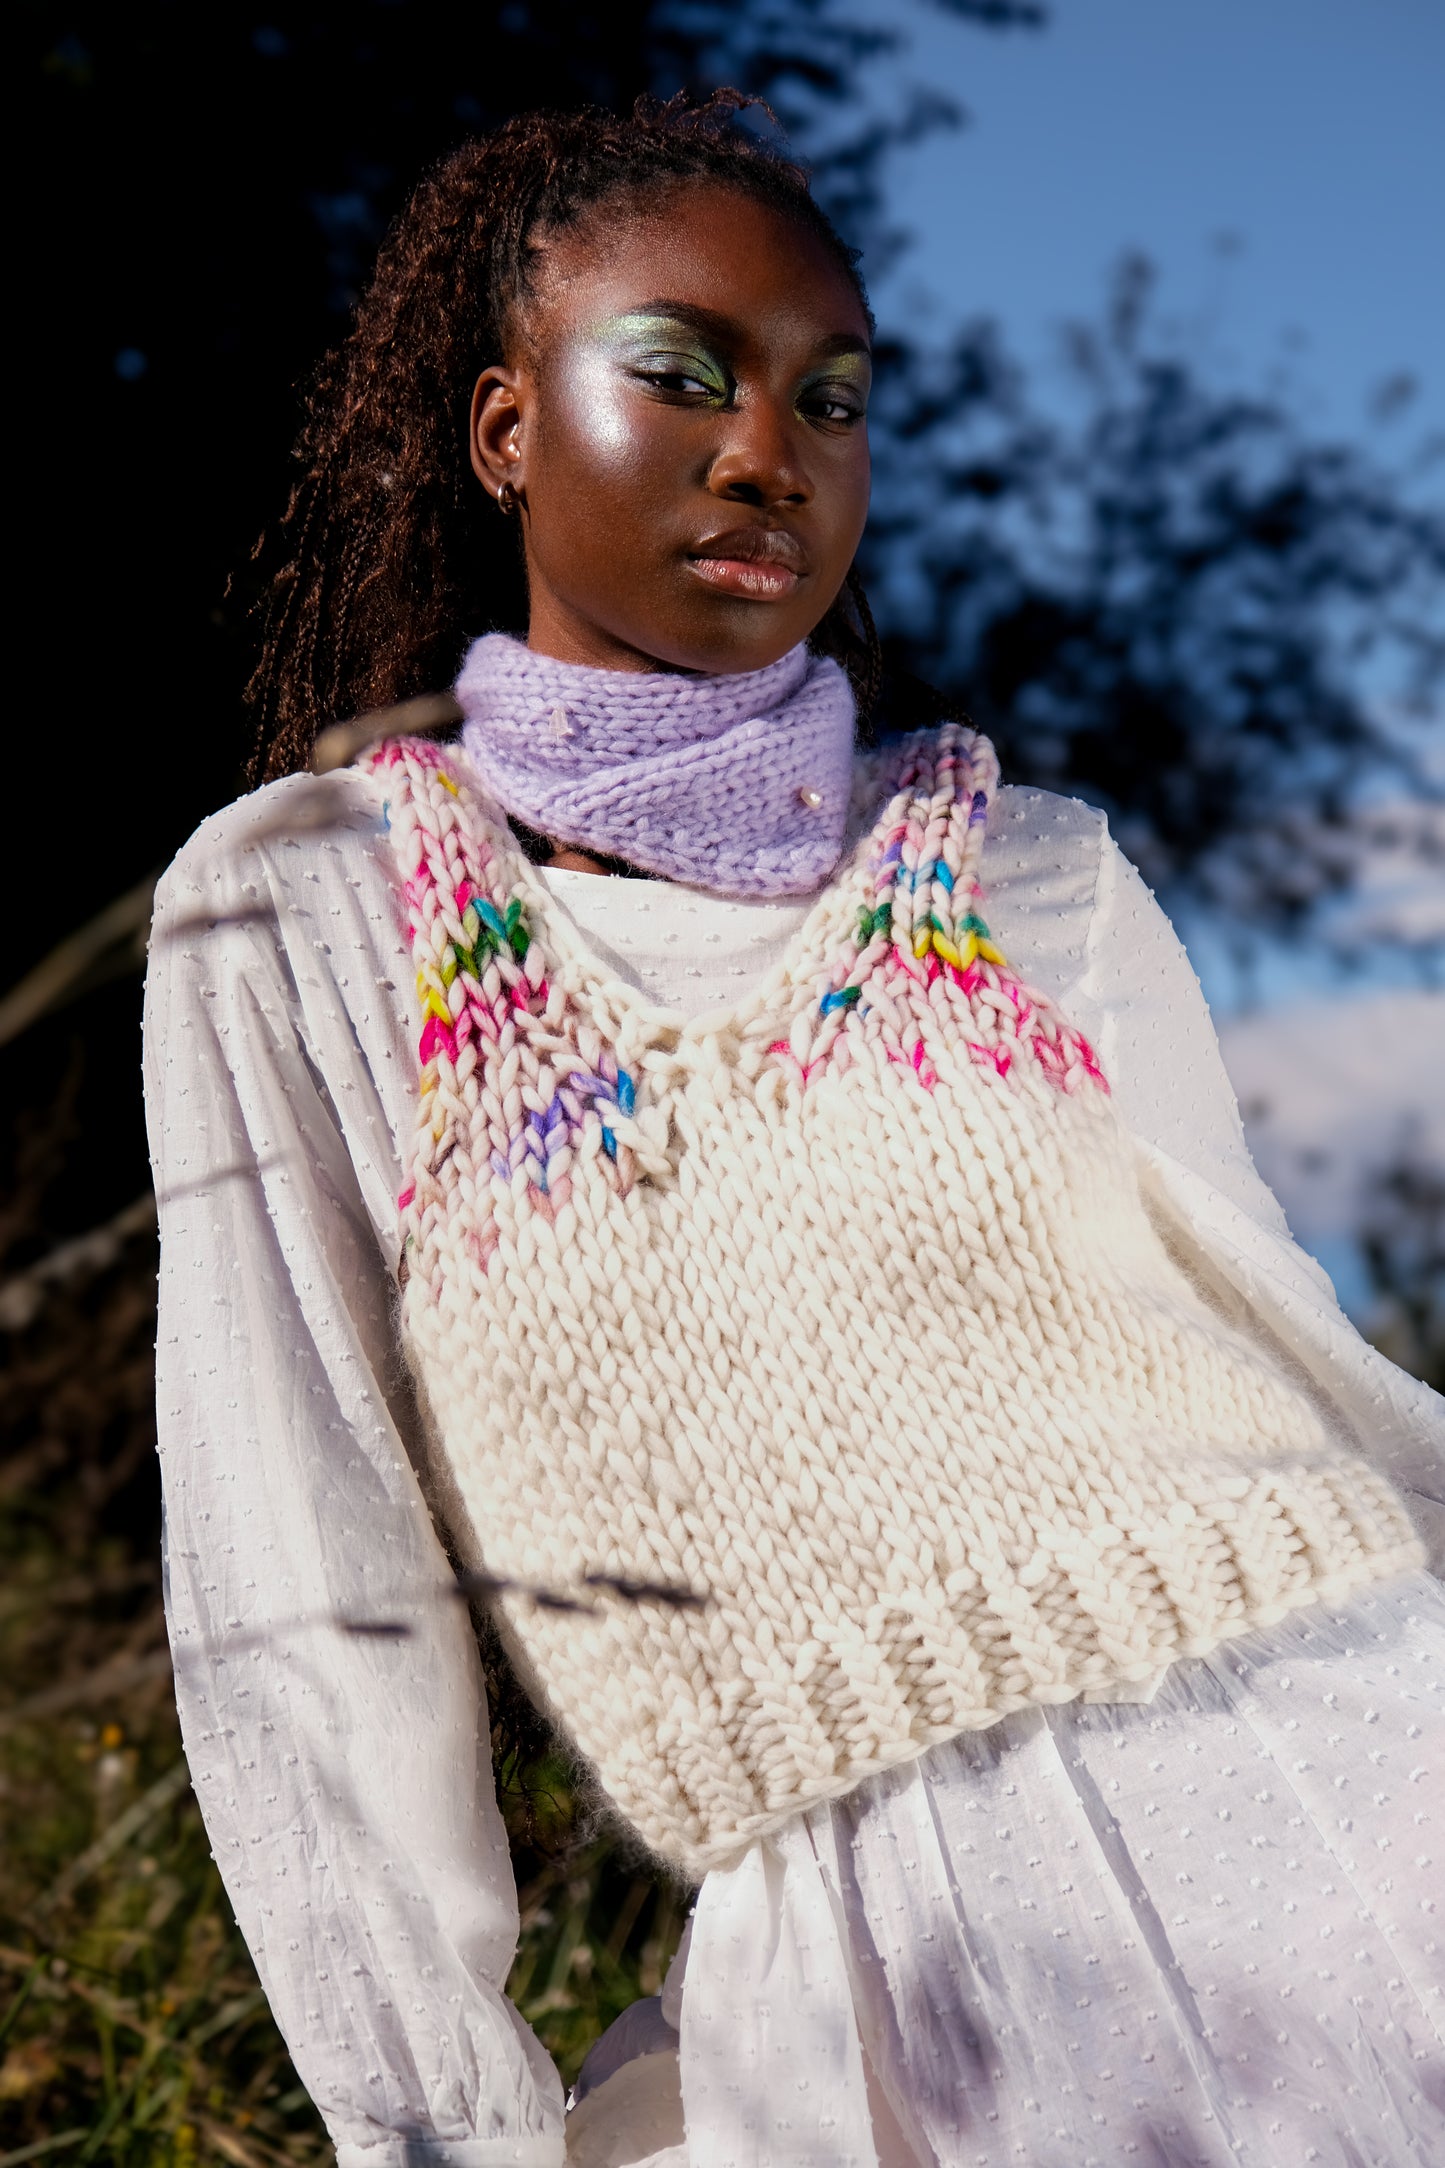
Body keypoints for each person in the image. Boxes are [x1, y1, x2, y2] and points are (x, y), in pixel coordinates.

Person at [143, 92, 1444, 2168]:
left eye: (833, 398)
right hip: (882, 1959)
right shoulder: (302, 903)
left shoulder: (1034, 874)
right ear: (502, 429)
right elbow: (300, 1583)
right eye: (682, 375)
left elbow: (1291, 1359)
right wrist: (442, 2129)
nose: (773, 452)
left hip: (1356, 1801)